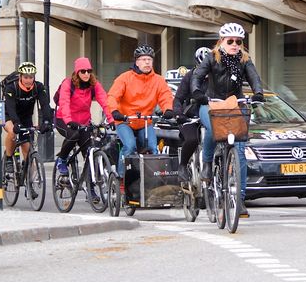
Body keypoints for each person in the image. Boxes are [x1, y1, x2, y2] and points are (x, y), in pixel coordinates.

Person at [191, 23, 265, 218]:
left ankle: (239, 201)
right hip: (211, 103)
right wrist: (198, 93)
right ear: (221, 41)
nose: (234, 44)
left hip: (234, 104)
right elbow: (197, 77)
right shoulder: (211, 57)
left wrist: (258, 93)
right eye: (230, 41)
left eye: (238, 42)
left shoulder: (244, 59)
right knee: (213, 129)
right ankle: (207, 163)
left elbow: (254, 78)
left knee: (239, 150)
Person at [107, 46, 175, 179]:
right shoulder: (124, 78)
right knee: (130, 146)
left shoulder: (158, 80)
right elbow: (112, 96)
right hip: (125, 120)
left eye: (149, 59)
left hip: (145, 121)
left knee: (153, 148)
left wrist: (168, 109)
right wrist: (114, 111)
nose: (147, 62)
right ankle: (122, 178)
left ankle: (152, 181)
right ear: (136, 62)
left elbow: (166, 96)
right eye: (143, 59)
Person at [53, 57, 114, 177]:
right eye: (83, 71)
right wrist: (69, 121)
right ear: (77, 72)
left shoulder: (94, 84)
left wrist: (111, 119)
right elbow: (64, 103)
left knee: (89, 155)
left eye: (89, 71)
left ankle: (92, 191)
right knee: (73, 135)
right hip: (64, 120)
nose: (86, 74)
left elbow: (105, 101)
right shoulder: (68, 83)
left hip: (84, 122)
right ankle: (62, 159)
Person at [2, 62, 53, 173]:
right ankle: (9, 159)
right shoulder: (12, 87)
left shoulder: (38, 87)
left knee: (27, 151)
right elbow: (10, 108)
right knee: (12, 132)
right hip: (9, 116)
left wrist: (47, 121)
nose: (28, 80)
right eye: (25, 77)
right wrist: (16, 123)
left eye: (31, 77)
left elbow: (45, 105)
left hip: (25, 117)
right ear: (20, 77)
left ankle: (30, 182)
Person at [175, 46, 212, 183]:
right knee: (192, 140)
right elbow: (178, 98)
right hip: (191, 115)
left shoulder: (218, 76)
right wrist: (178, 114)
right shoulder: (190, 76)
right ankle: (183, 165)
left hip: (212, 114)